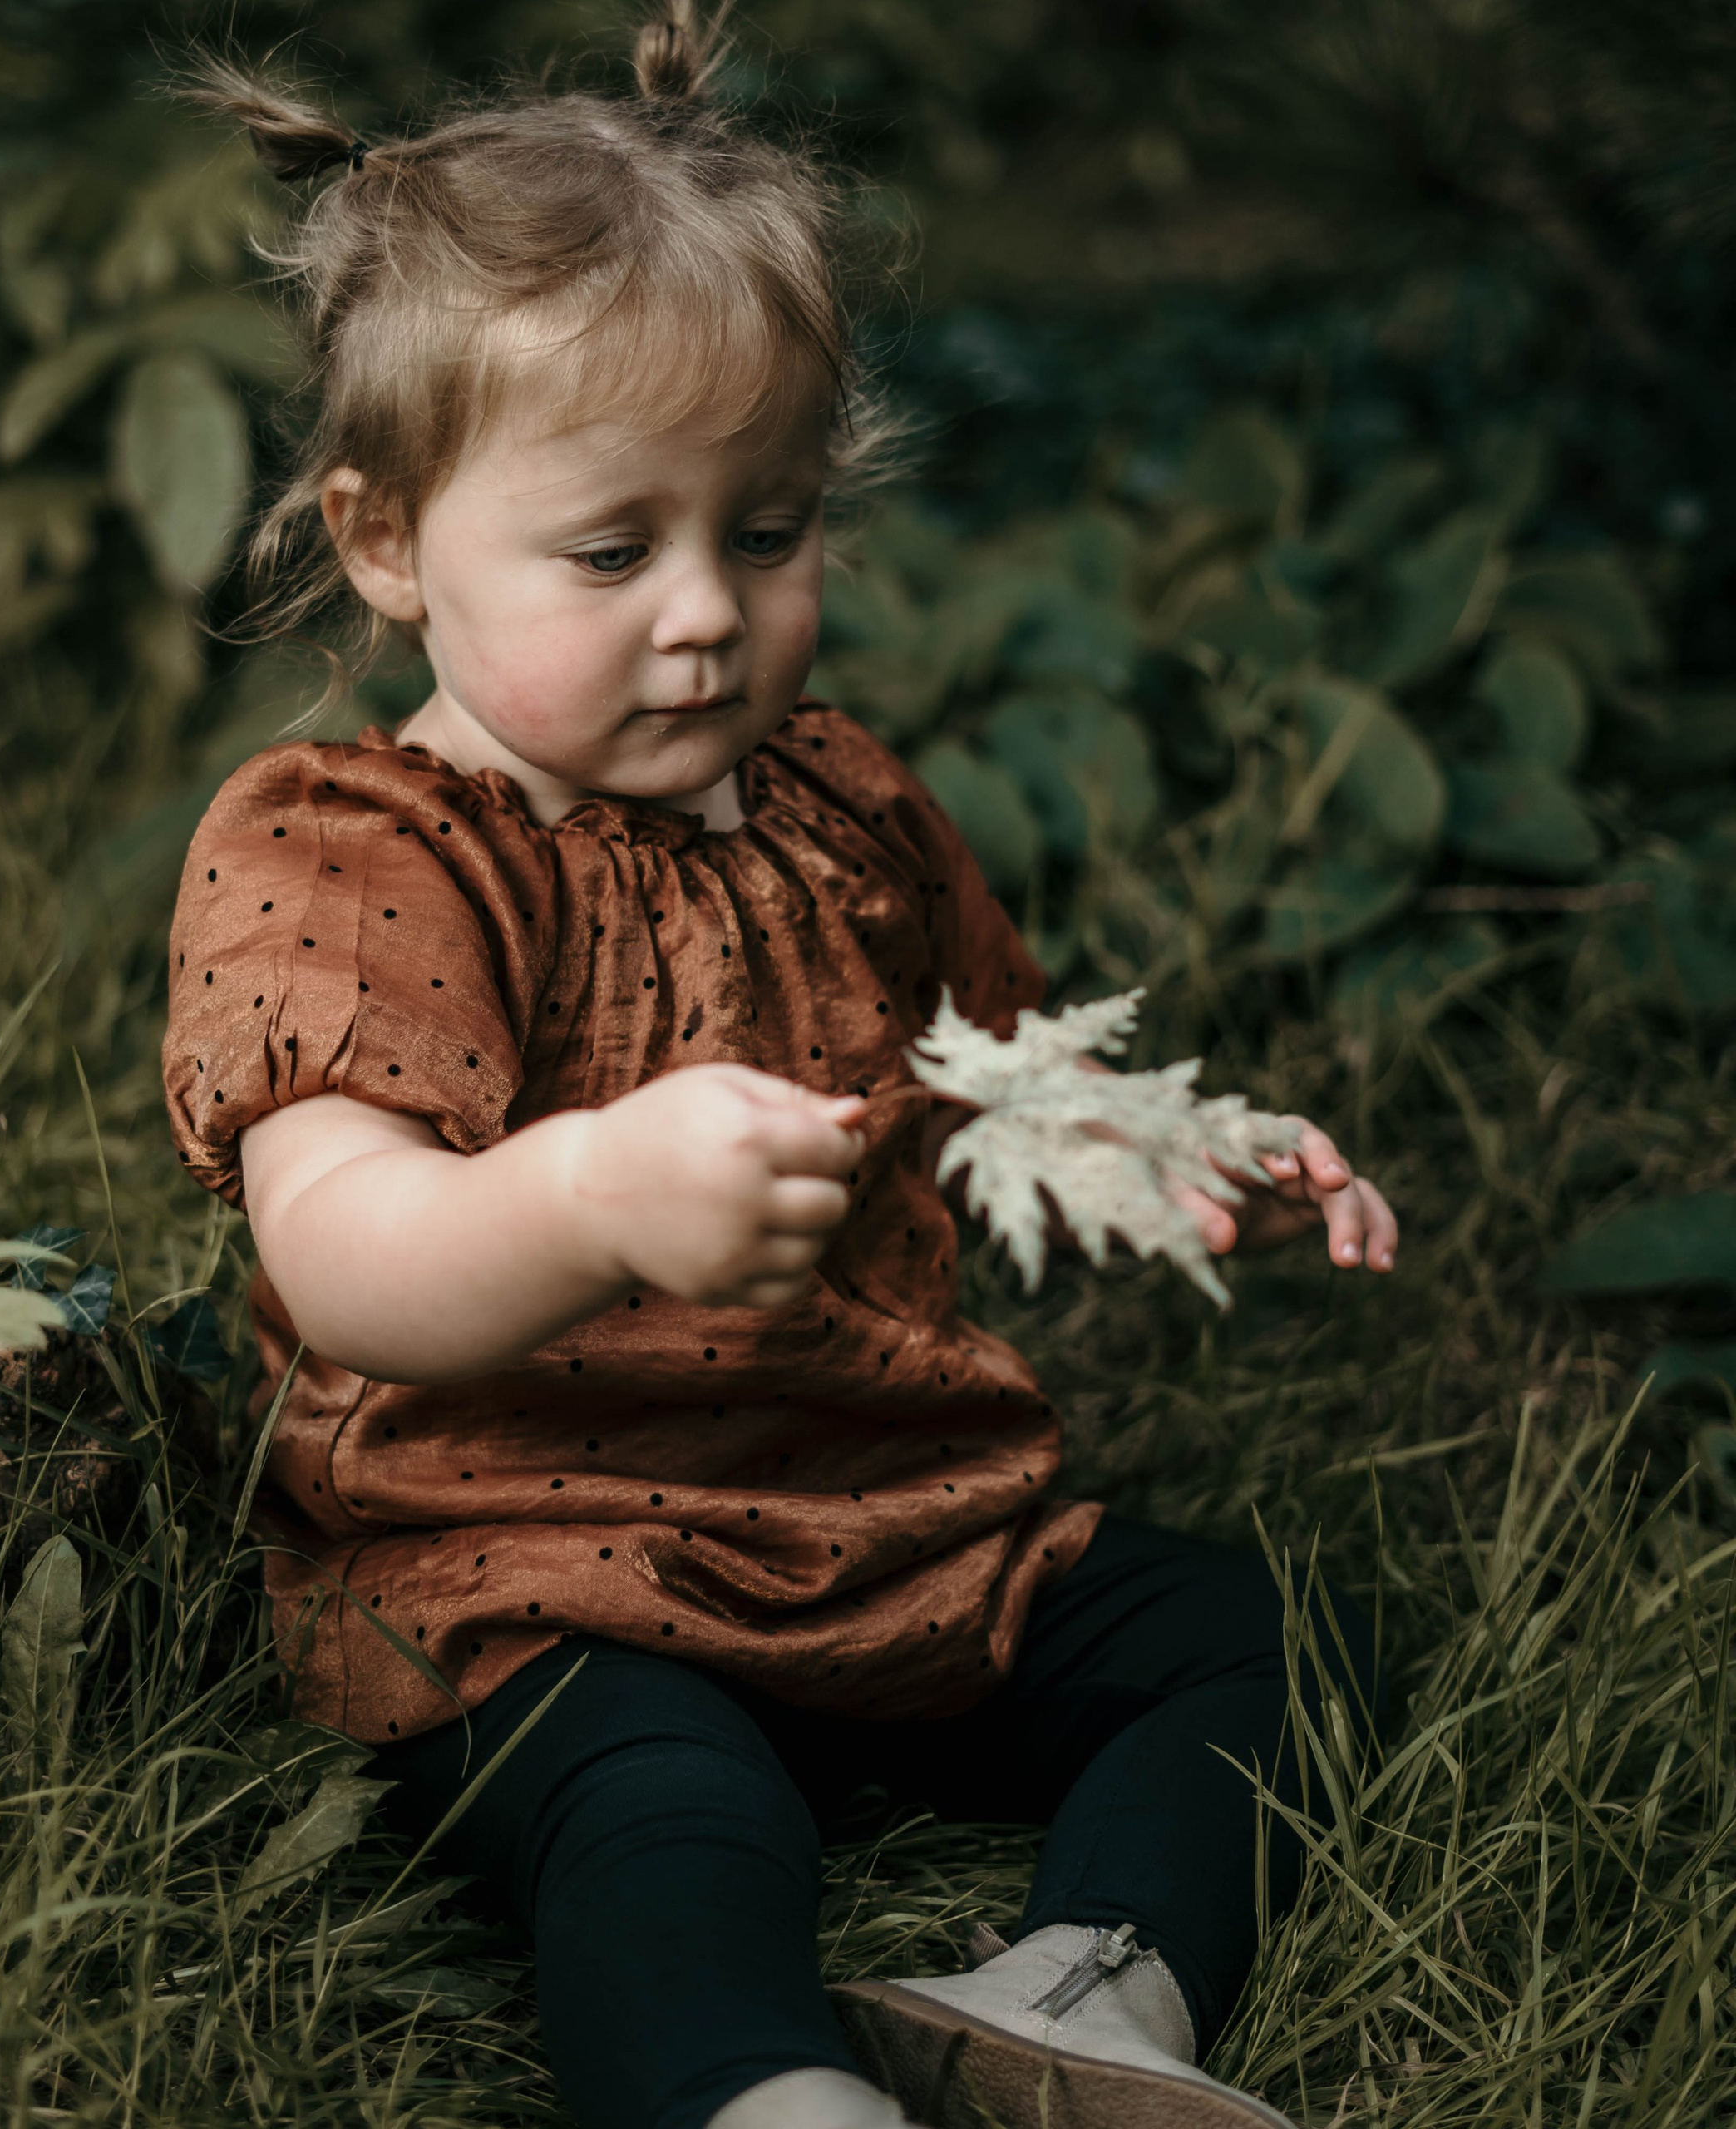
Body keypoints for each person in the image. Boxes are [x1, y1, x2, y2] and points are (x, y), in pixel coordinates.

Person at [162, 10, 1395, 2127]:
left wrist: (1156, 1132)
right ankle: (766, 2099)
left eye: (766, 528)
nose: (705, 618)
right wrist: (578, 1200)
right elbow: (348, 1248)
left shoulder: (828, 800)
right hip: (524, 1564)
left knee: (1269, 1639)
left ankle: (1078, 1995)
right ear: (385, 541)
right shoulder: (350, 854)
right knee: (665, 1810)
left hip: (871, 1517)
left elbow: (970, 1061)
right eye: (610, 549)